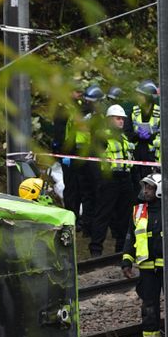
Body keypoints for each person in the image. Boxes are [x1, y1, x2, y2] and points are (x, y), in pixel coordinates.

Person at [120, 174, 166, 337]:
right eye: (145, 188)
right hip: (147, 267)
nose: (145, 191)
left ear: (159, 190)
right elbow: (131, 237)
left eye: (150, 188)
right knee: (148, 304)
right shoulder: (138, 211)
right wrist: (127, 261)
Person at [87, 103, 135, 258]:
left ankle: (121, 250)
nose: (121, 121)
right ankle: (96, 251)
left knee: (124, 217)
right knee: (102, 215)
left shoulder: (124, 137)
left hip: (124, 181)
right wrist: (100, 181)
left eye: (122, 119)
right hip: (109, 181)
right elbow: (93, 162)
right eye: (118, 118)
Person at [60, 85, 104, 233]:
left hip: (81, 156)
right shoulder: (94, 116)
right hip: (88, 157)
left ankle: (85, 225)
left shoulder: (79, 114)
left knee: (85, 192)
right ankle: (87, 225)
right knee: (89, 192)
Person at [130, 81, 161, 182]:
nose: (138, 97)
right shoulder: (134, 111)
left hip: (153, 155)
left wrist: (150, 137)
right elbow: (127, 133)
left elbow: (163, 135)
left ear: (148, 97)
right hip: (137, 153)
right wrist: (137, 135)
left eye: (141, 95)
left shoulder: (160, 112)